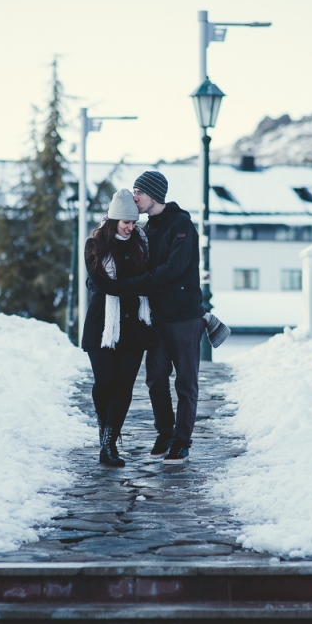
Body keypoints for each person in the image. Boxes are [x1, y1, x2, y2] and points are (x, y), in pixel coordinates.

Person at [132, 171, 204, 464]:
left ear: (154, 195)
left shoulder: (182, 224)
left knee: (186, 383)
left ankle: (182, 441)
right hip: (157, 317)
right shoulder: (147, 229)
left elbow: (174, 268)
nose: (135, 197)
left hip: (184, 316)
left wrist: (140, 283)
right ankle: (165, 432)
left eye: (139, 192)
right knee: (155, 379)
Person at [82, 188, 154, 467]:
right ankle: (105, 432)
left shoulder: (141, 244)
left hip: (134, 328)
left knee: (124, 386)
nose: (130, 227)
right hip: (103, 326)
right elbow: (103, 285)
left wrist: (136, 286)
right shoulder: (95, 244)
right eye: (126, 222)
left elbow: (146, 280)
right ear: (114, 219)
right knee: (105, 382)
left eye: (134, 222)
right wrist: (139, 285)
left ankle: (109, 444)